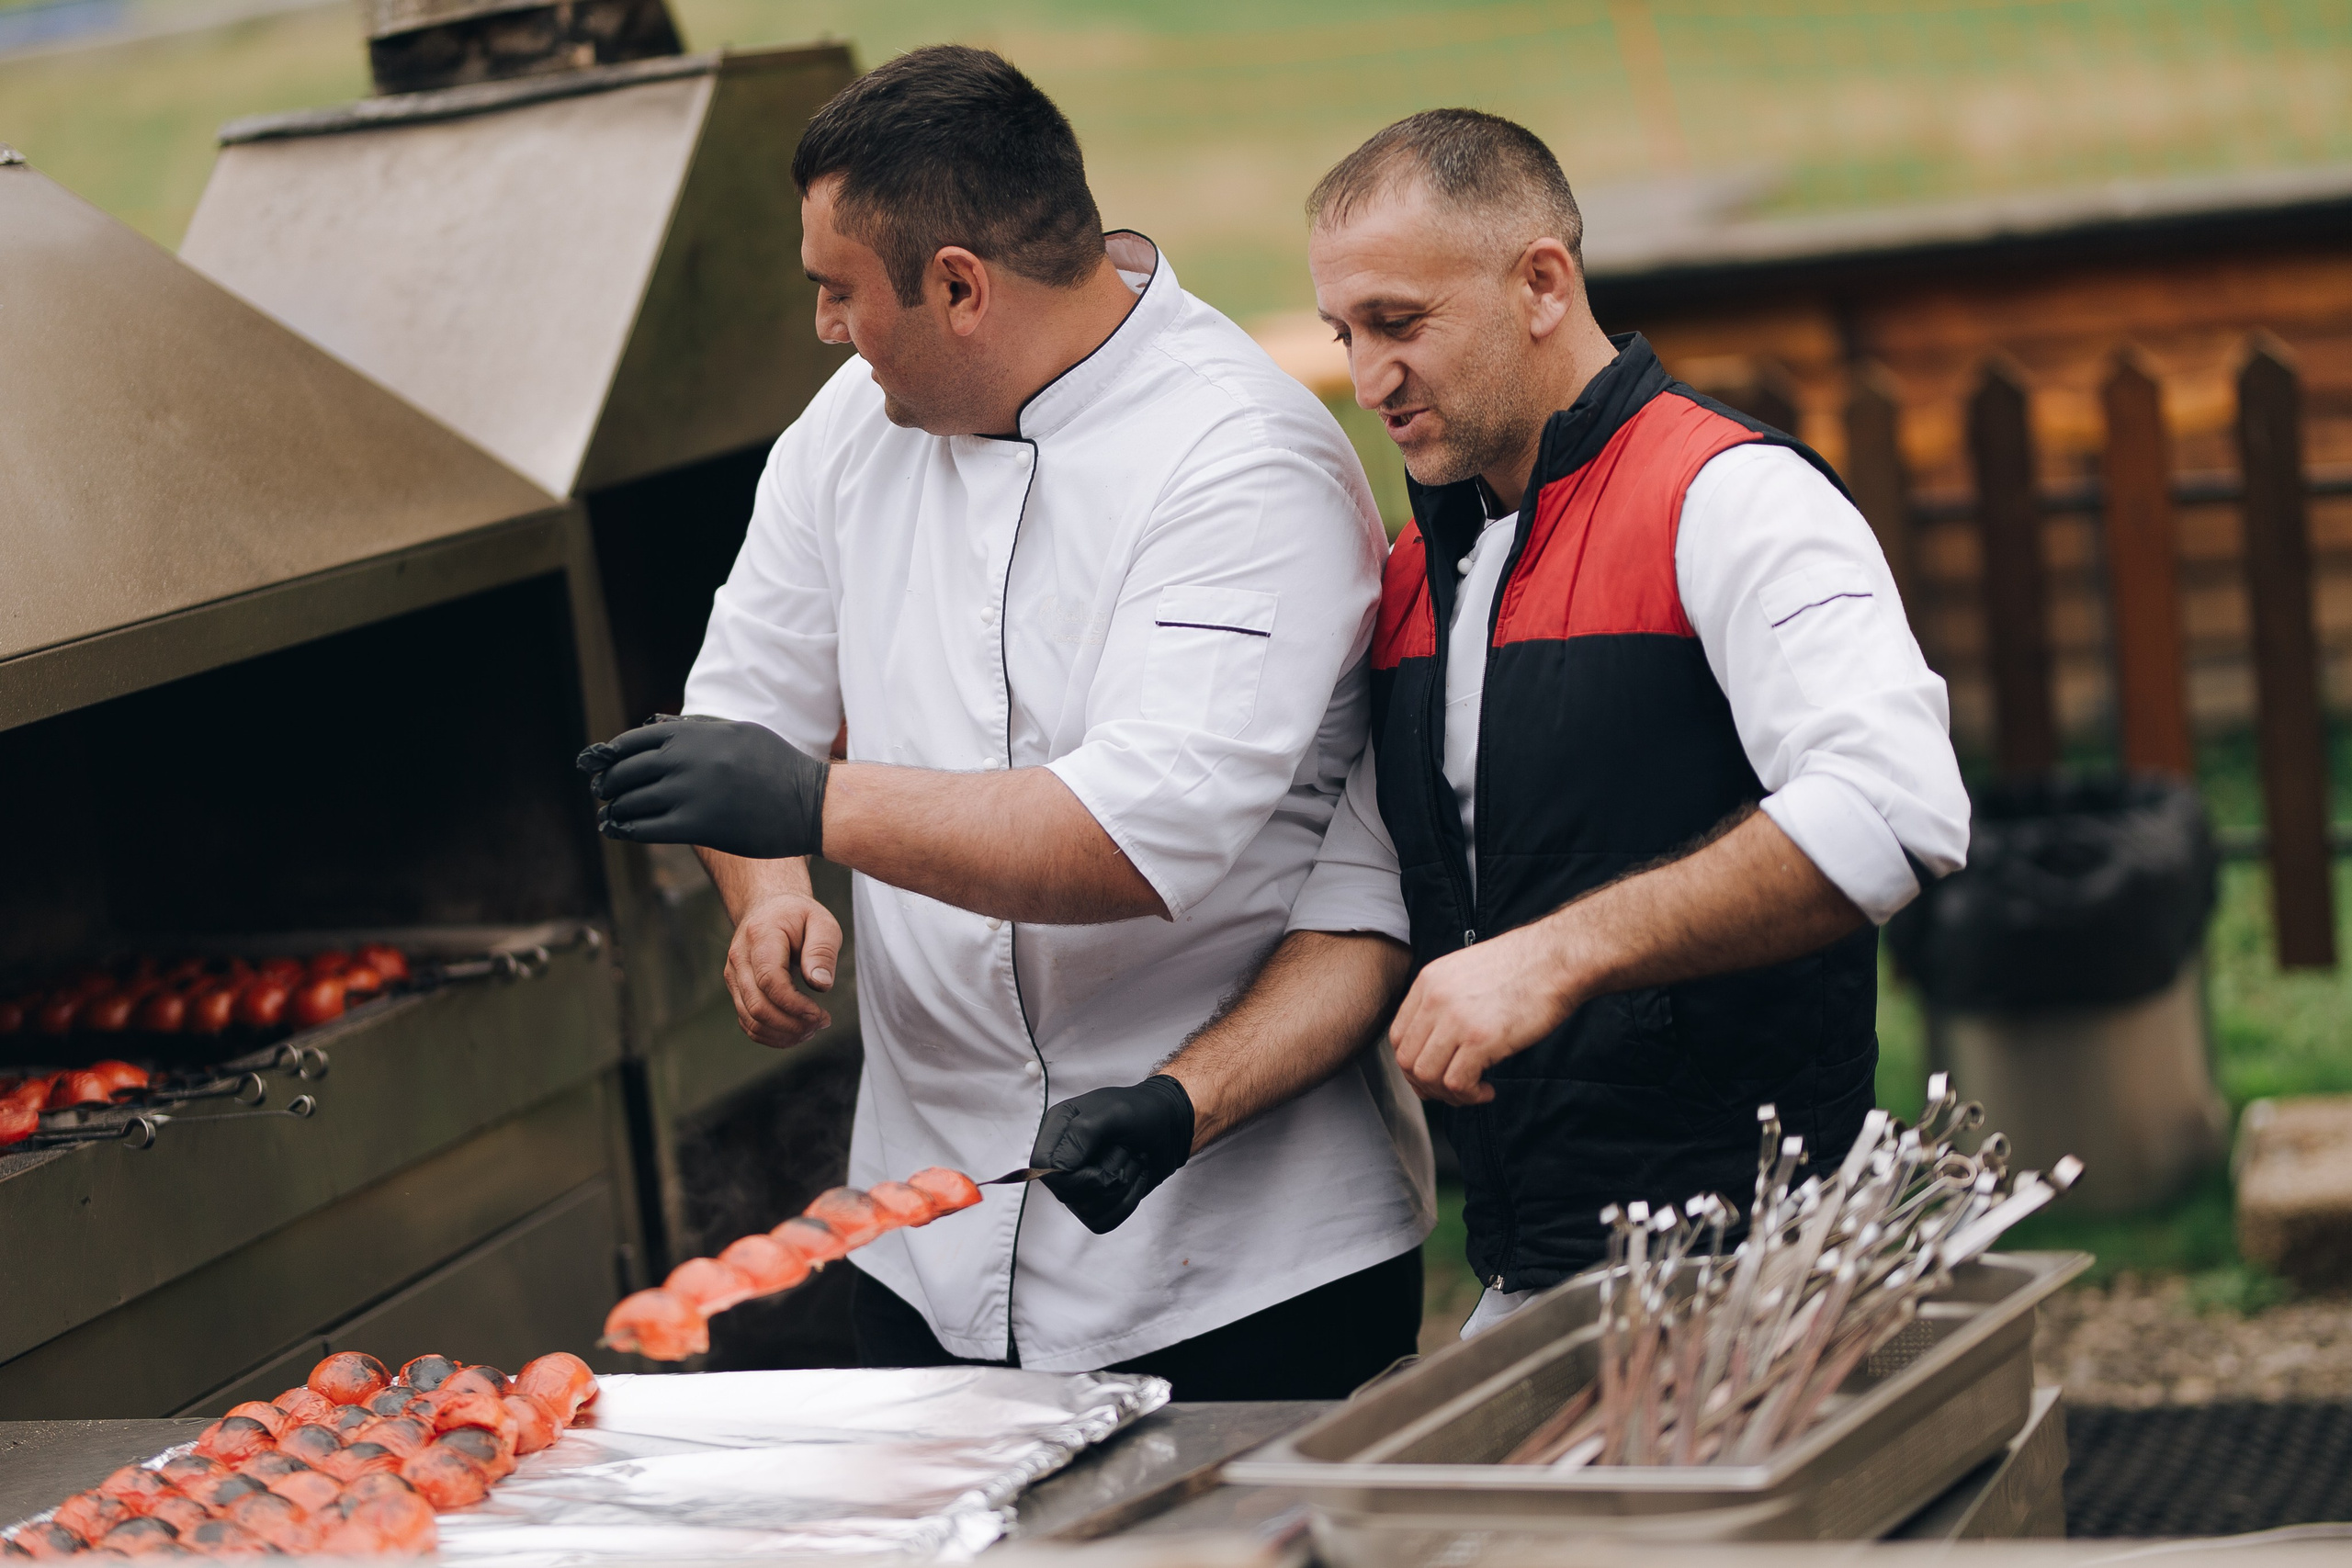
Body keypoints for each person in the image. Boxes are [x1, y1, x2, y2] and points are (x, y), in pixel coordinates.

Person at [575, 46, 1433, 1395]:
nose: (824, 329)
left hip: (1221, 1254)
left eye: (837, 291)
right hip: (917, 1241)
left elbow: (1128, 839)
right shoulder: (849, 428)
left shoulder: (1240, 459)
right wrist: (765, 896)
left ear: (960, 285)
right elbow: (748, 698)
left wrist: (809, 805)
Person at [1031, 108, 1969, 1339]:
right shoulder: (1420, 580)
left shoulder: (1733, 501)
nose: (1367, 382)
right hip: (1530, 1279)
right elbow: (1364, 909)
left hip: (1772, 1276)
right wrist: (1175, 1107)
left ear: (1540, 283)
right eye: (1344, 334)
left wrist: (1556, 953)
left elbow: (1897, 809)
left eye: (1399, 325)